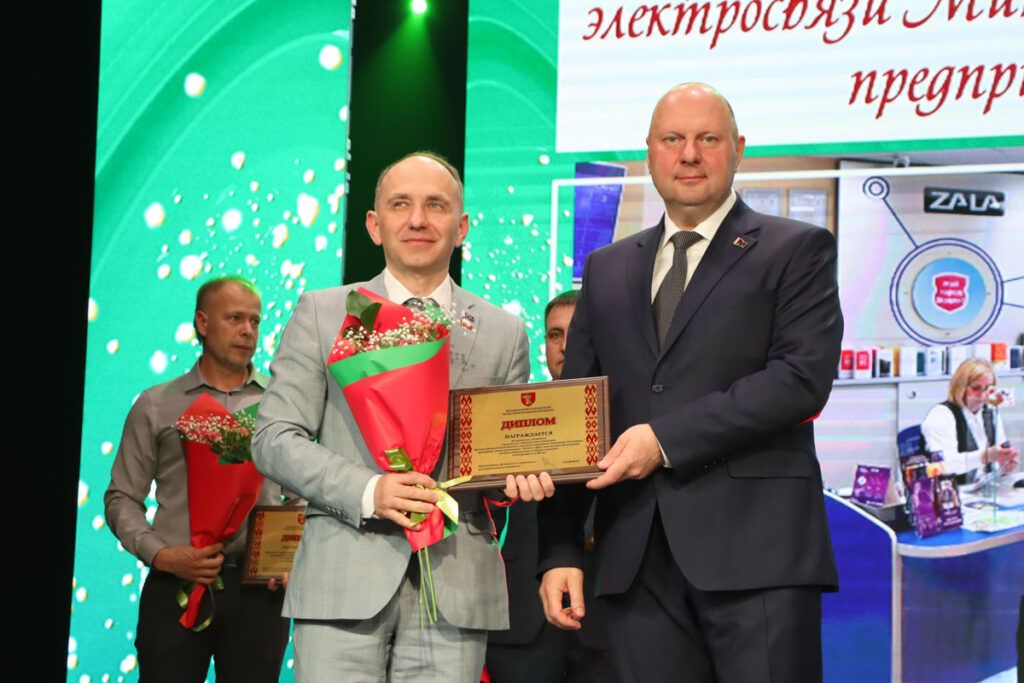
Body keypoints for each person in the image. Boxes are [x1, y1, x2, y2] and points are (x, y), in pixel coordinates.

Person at [537, 83, 843, 682]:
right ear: (650, 151)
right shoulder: (607, 267)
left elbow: (799, 379)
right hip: (634, 559)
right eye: (672, 139)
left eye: (708, 139)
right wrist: (561, 550)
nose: (690, 154)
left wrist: (663, 440)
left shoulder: (796, 248)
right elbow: (576, 412)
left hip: (758, 556)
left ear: (738, 149)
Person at [252, 152, 556, 682]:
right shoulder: (323, 313)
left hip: (456, 583)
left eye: (436, 206)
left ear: (461, 227)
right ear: (375, 225)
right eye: (401, 205)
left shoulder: (503, 331)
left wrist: (515, 480)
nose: (418, 220)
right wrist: (369, 491)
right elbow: (274, 437)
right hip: (343, 575)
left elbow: (498, 460)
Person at [104, 276, 293, 683]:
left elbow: (301, 495)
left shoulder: (281, 405)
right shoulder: (157, 404)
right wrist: (161, 555)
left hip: (260, 593)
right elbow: (121, 498)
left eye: (255, 320)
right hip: (174, 583)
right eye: (235, 318)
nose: (248, 330)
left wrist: (292, 556)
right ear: (202, 323)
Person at [485, 290, 586, 683]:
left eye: (578, 333)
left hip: (614, 614)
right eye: (555, 335)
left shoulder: (635, 416)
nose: (565, 346)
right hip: (523, 616)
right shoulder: (513, 415)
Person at [920, 358, 1019, 480]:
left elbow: (998, 453)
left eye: (988, 388)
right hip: (951, 487)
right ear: (960, 387)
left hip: (983, 485)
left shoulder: (990, 412)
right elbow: (943, 466)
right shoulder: (940, 416)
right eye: (976, 388)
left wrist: (1003, 465)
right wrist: (984, 457)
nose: (982, 395)